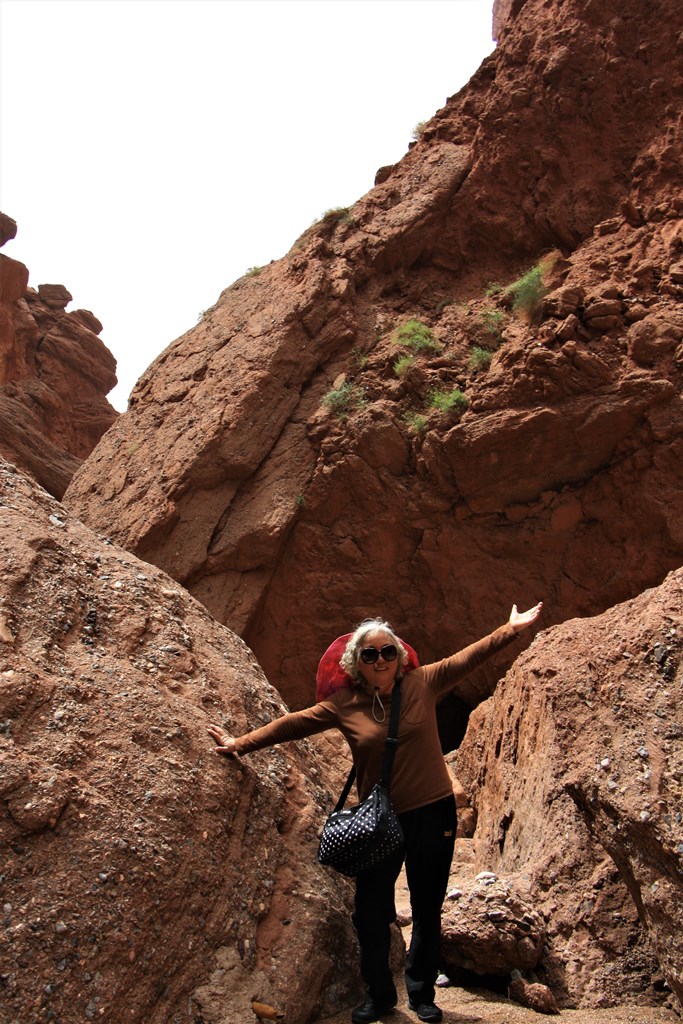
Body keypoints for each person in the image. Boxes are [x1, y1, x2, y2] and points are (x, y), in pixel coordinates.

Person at [208, 602, 543, 1024]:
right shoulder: (344, 705)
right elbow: (292, 724)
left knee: (426, 905)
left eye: (388, 652)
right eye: (370, 654)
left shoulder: (423, 681)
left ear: (399, 657)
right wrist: (241, 743)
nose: (381, 660)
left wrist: (509, 630)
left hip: (432, 811)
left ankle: (422, 994)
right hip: (379, 820)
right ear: (356, 663)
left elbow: (469, 657)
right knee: (369, 910)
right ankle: (380, 994)